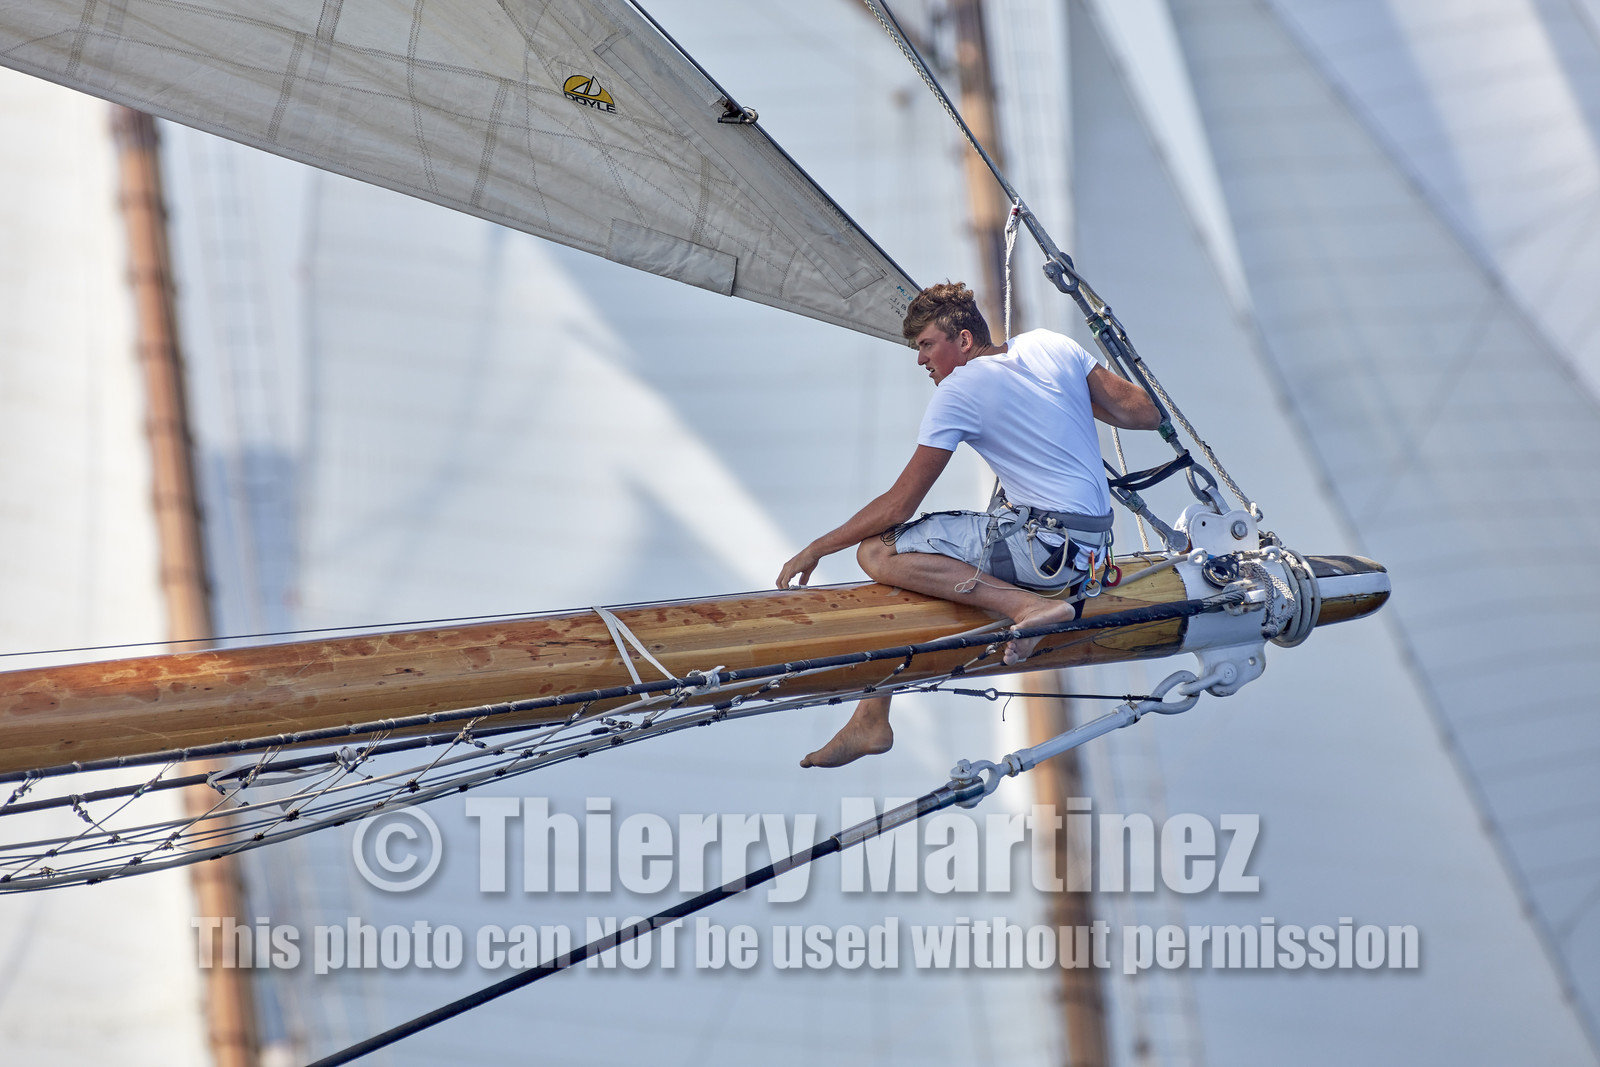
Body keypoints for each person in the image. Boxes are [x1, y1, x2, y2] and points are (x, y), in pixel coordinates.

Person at [776, 282, 1160, 768]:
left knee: (879, 552)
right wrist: (1052, 404)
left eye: (925, 346)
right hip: (1089, 553)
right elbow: (1142, 411)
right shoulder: (1050, 345)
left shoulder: (959, 390)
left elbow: (899, 505)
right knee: (946, 543)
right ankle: (870, 716)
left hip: (1044, 553)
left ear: (962, 340)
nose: (920, 362)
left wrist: (817, 547)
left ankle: (1024, 609)